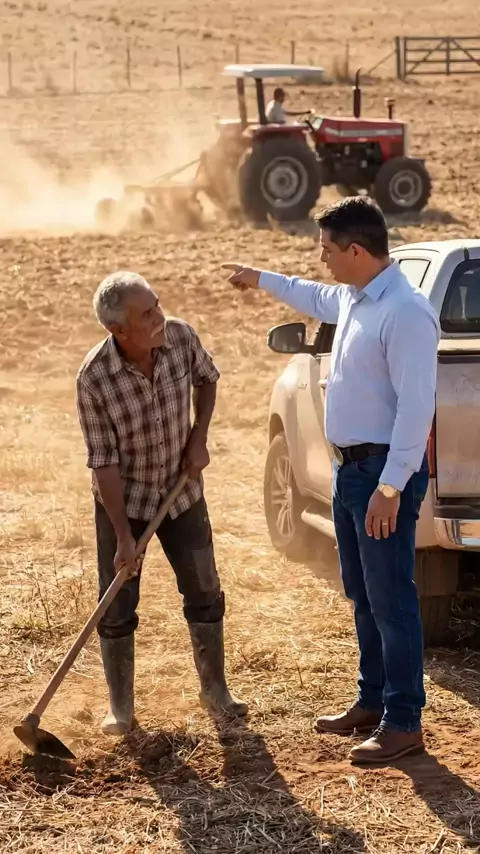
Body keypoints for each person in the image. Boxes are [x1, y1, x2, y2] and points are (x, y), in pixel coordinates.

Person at [222, 197, 440, 765]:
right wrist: (260, 277)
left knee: (392, 599)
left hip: (380, 475)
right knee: (362, 592)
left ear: (356, 251)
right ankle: (372, 701)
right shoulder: (354, 298)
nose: (322, 259)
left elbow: (417, 409)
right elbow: (311, 294)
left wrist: (390, 488)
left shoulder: (405, 312)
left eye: (326, 250)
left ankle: (403, 721)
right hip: (349, 471)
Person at [76, 271, 247, 735]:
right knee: (116, 603)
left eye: (157, 305)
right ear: (118, 329)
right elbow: (103, 462)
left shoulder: (181, 337)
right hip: (124, 501)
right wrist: (124, 537)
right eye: (147, 313)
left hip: (181, 491)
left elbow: (207, 379)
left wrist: (199, 436)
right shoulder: (94, 379)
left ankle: (215, 690)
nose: (160, 317)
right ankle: (121, 708)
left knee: (204, 589)